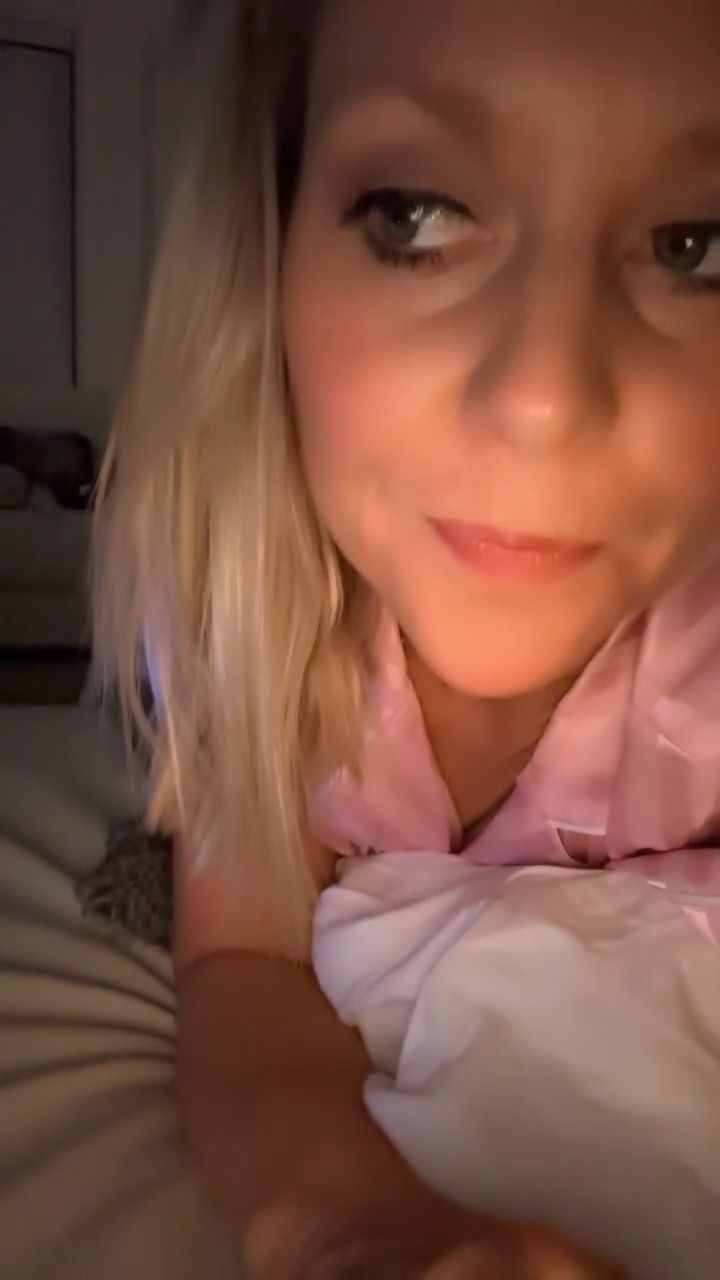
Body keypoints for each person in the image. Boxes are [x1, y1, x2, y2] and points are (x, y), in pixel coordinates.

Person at [92, 0, 720, 1274]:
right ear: (268, 245)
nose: (543, 398)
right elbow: (244, 958)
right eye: (416, 215)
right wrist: (350, 1223)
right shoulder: (241, 605)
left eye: (698, 247)